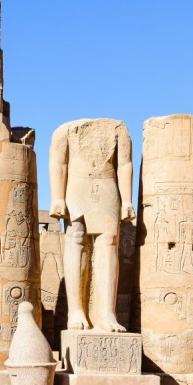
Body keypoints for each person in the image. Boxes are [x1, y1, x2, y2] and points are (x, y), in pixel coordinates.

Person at [49, 118, 134, 332]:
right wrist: (57, 197)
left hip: (107, 185)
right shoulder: (65, 130)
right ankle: (76, 310)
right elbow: (58, 163)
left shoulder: (119, 129)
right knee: (76, 238)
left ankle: (107, 313)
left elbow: (124, 165)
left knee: (109, 243)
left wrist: (127, 201)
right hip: (77, 185)